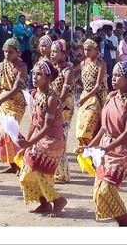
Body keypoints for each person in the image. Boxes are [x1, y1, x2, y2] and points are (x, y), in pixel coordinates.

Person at [85, 61, 127, 226]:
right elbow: (104, 126)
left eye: (119, 75)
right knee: (99, 192)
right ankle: (122, 223)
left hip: (124, 149)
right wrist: (92, 145)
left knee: (107, 189)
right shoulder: (112, 97)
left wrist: (106, 149)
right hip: (107, 145)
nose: (113, 78)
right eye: (113, 74)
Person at [17, 60, 68, 217]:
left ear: (48, 78)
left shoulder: (51, 98)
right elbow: (34, 122)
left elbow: (47, 126)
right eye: (35, 73)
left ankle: (57, 200)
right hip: (40, 139)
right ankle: (44, 203)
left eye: (39, 74)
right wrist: (26, 143)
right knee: (26, 172)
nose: (35, 77)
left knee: (35, 164)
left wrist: (30, 143)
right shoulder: (34, 94)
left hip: (53, 140)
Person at [0, 38, 29, 174]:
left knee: (10, 131)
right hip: (3, 101)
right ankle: (13, 164)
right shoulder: (1, 66)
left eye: (10, 52)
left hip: (16, 102)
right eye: (5, 52)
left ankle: (23, 158)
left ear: (18, 53)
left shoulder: (22, 67)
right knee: (0, 133)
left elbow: (15, 89)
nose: (7, 54)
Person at [50, 39, 75, 183]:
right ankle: (56, 171)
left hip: (64, 107)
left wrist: (56, 105)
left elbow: (64, 92)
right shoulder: (52, 69)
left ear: (63, 53)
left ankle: (64, 174)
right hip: (54, 105)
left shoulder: (68, 70)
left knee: (61, 137)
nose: (52, 54)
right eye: (51, 51)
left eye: (55, 51)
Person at [75, 37, 108, 147]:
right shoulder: (83, 63)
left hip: (96, 97)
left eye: (89, 50)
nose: (86, 52)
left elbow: (98, 86)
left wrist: (83, 99)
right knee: (81, 122)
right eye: (85, 49)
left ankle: (91, 147)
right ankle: (84, 147)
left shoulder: (101, 64)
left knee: (90, 122)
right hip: (86, 95)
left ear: (96, 50)